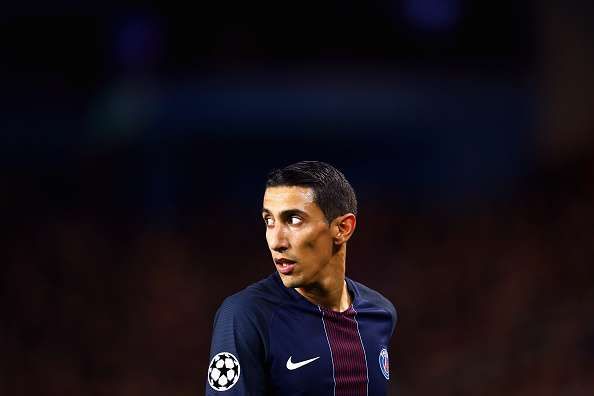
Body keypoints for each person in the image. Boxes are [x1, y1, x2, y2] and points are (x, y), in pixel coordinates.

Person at [206, 161, 397, 395]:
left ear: (343, 228)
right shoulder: (247, 315)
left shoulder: (380, 313)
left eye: (294, 220)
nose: (276, 242)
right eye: (269, 221)